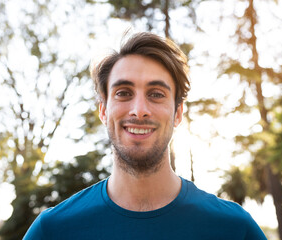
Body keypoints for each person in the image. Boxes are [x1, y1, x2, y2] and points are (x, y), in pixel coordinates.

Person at [23, 32, 267, 240]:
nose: (139, 109)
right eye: (123, 92)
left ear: (178, 113)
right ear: (104, 110)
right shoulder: (52, 231)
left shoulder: (234, 229)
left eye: (157, 94)